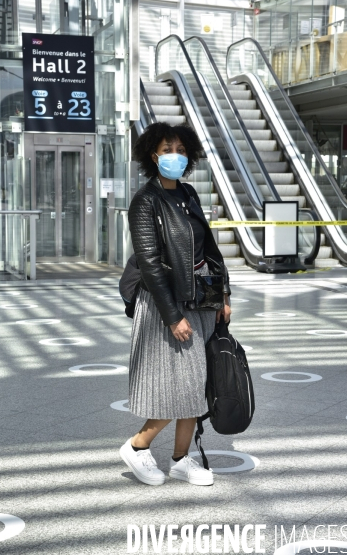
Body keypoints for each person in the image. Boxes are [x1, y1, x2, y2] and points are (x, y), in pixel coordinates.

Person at [120, 122, 231, 487]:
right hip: (164, 306)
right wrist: (172, 317)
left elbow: (208, 251)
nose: (175, 157)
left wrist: (223, 295)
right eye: (168, 150)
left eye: (181, 150)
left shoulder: (189, 194)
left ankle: (181, 459)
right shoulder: (145, 201)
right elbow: (150, 264)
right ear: (154, 155)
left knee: (196, 385)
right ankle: (138, 446)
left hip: (199, 301)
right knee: (178, 387)